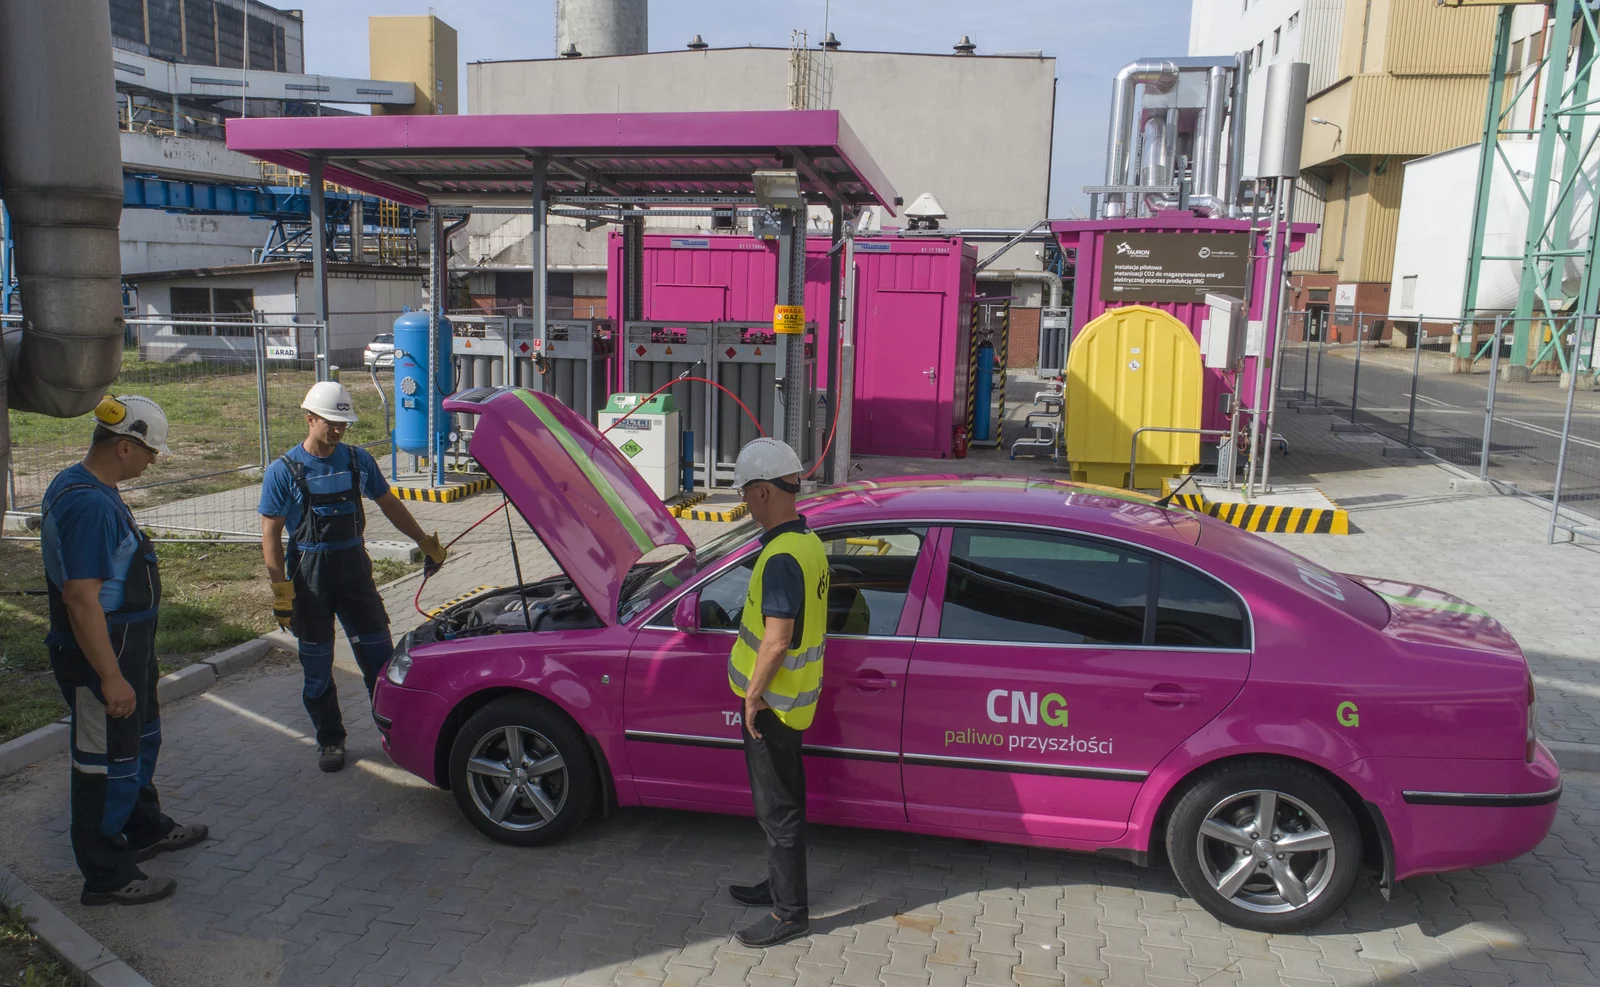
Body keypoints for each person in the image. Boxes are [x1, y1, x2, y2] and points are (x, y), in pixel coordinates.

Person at [41, 395, 207, 907]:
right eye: (150, 451)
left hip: (128, 649)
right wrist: (111, 678)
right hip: (101, 656)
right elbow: (80, 598)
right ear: (123, 447)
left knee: (137, 743)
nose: (154, 460)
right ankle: (105, 872)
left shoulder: (87, 485)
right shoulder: (89, 504)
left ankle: (143, 826)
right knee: (102, 764)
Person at [259, 381, 447, 773]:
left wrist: (424, 542)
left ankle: (396, 734)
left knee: (380, 661)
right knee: (317, 667)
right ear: (309, 418)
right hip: (310, 579)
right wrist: (281, 592)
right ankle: (330, 740)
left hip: (355, 573)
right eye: (331, 422)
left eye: (344, 423)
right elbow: (271, 535)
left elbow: (390, 504)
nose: (339, 430)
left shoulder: (358, 461)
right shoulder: (283, 472)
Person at [724, 438, 829, 948]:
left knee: (778, 810)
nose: (744, 502)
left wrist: (752, 696)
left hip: (772, 707)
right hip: (793, 704)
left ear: (764, 492)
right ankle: (779, 886)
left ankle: (790, 914)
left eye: (746, 492)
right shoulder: (806, 542)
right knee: (784, 804)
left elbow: (778, 637)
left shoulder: (782, 557)